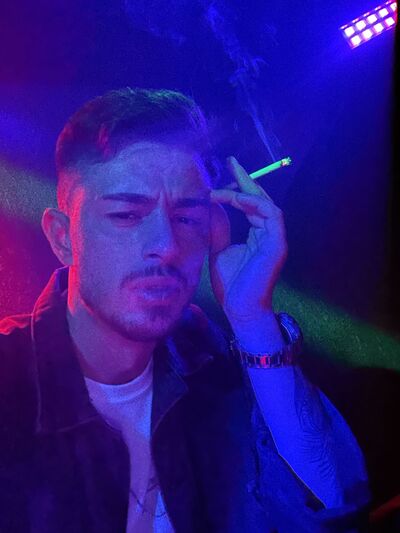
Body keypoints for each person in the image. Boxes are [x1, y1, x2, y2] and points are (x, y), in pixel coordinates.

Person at [0, 88, 370, 532]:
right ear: (63, 238)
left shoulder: (208, 359)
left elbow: (333, 510)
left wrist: (253, 318)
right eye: (126, 215)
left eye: (186, 218)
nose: (166, 245)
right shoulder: (9, 380)